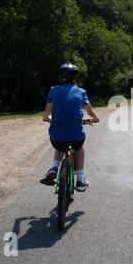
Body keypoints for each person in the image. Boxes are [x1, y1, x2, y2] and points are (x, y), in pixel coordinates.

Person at [40, 63, 99, 192]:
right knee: (79, 146)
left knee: (61, 143)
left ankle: (54, 167)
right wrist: (94, 119)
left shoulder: (53, 90)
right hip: (76, 138)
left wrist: (50, 120)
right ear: (75, 79)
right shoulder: (81, 92)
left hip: (56, 138)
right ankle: (80, 178)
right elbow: (91, 113)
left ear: (61, 78)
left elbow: (46, 114)